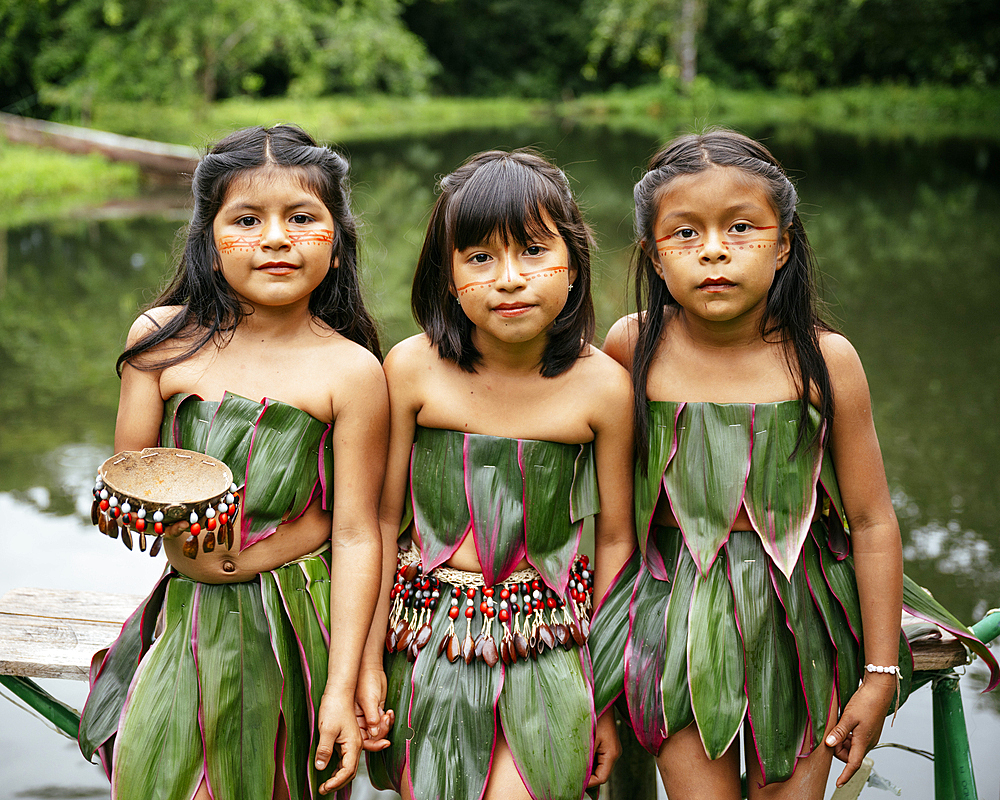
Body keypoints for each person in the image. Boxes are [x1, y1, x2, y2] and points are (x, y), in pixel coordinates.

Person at [595, 129, 999, 799]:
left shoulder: (823, 360)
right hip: (673, 627)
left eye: (741, 228)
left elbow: (870, 520)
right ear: (653, 255)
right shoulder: (631, 346)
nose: (716, 250)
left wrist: (878, 674)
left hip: (803, 626)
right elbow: (604, 507)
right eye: (686, 234)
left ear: (782, 243)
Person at [77, 125, 390, 800]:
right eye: (246, 220)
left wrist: (342, 685)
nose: (275, 238)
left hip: (293, 612)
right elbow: (128, 472)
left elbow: (358, 531)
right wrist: (126, 502)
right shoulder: (161, 341)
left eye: (302, 218)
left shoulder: (352, 369)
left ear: (336, 245)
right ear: (209, 245)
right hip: (185, 611)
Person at [365, 149, 635, 800]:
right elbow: (374, 523)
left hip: (547, 642)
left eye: (535, 251)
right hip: (425, 639)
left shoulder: (603, 388)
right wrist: (366, 665)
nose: (509, 278)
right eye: (480, 257)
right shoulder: (411, 370)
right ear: (447, 274)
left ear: (574, 262)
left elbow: (616, 539)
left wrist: (602, 693)